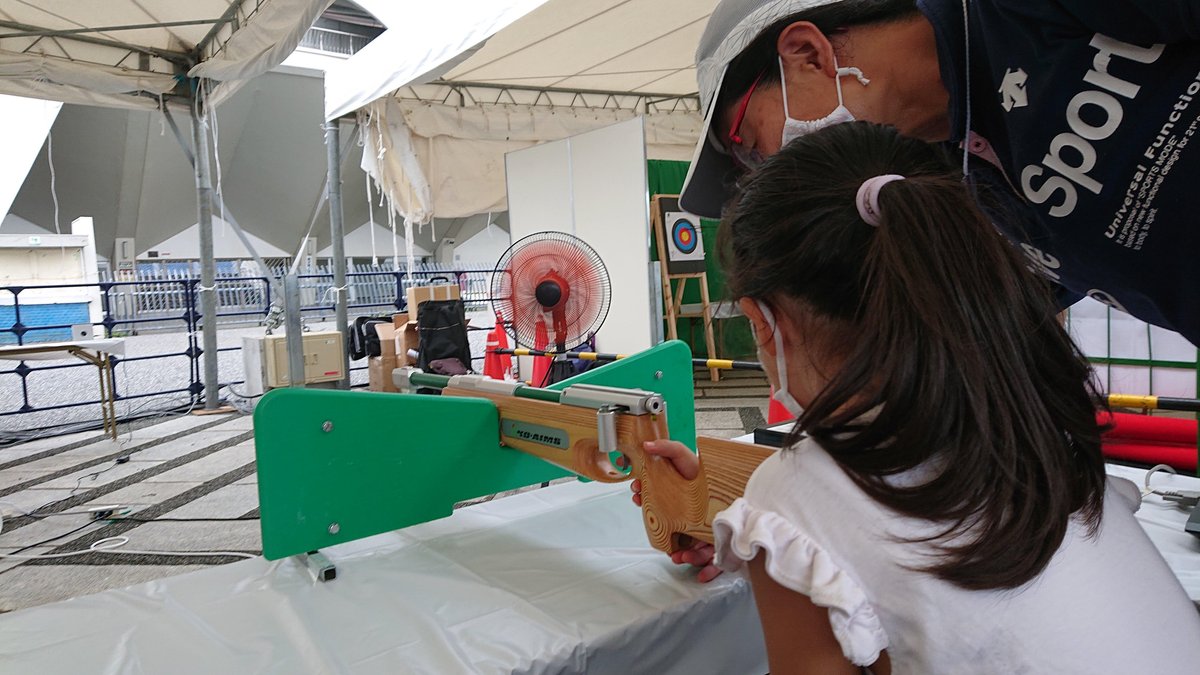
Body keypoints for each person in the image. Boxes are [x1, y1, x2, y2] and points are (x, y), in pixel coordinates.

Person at [636, 121, 1200, 673]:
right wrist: (725, 511)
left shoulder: (794, 492)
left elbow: (836, 511)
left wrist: (765, 524)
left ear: (764, 323)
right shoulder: (1028, 421)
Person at [679, 0, 1200, 346]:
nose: (768, 170)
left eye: (749, 146)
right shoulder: (947, 183)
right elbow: (1009, 325)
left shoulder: (1009, 13)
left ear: (808, 54)